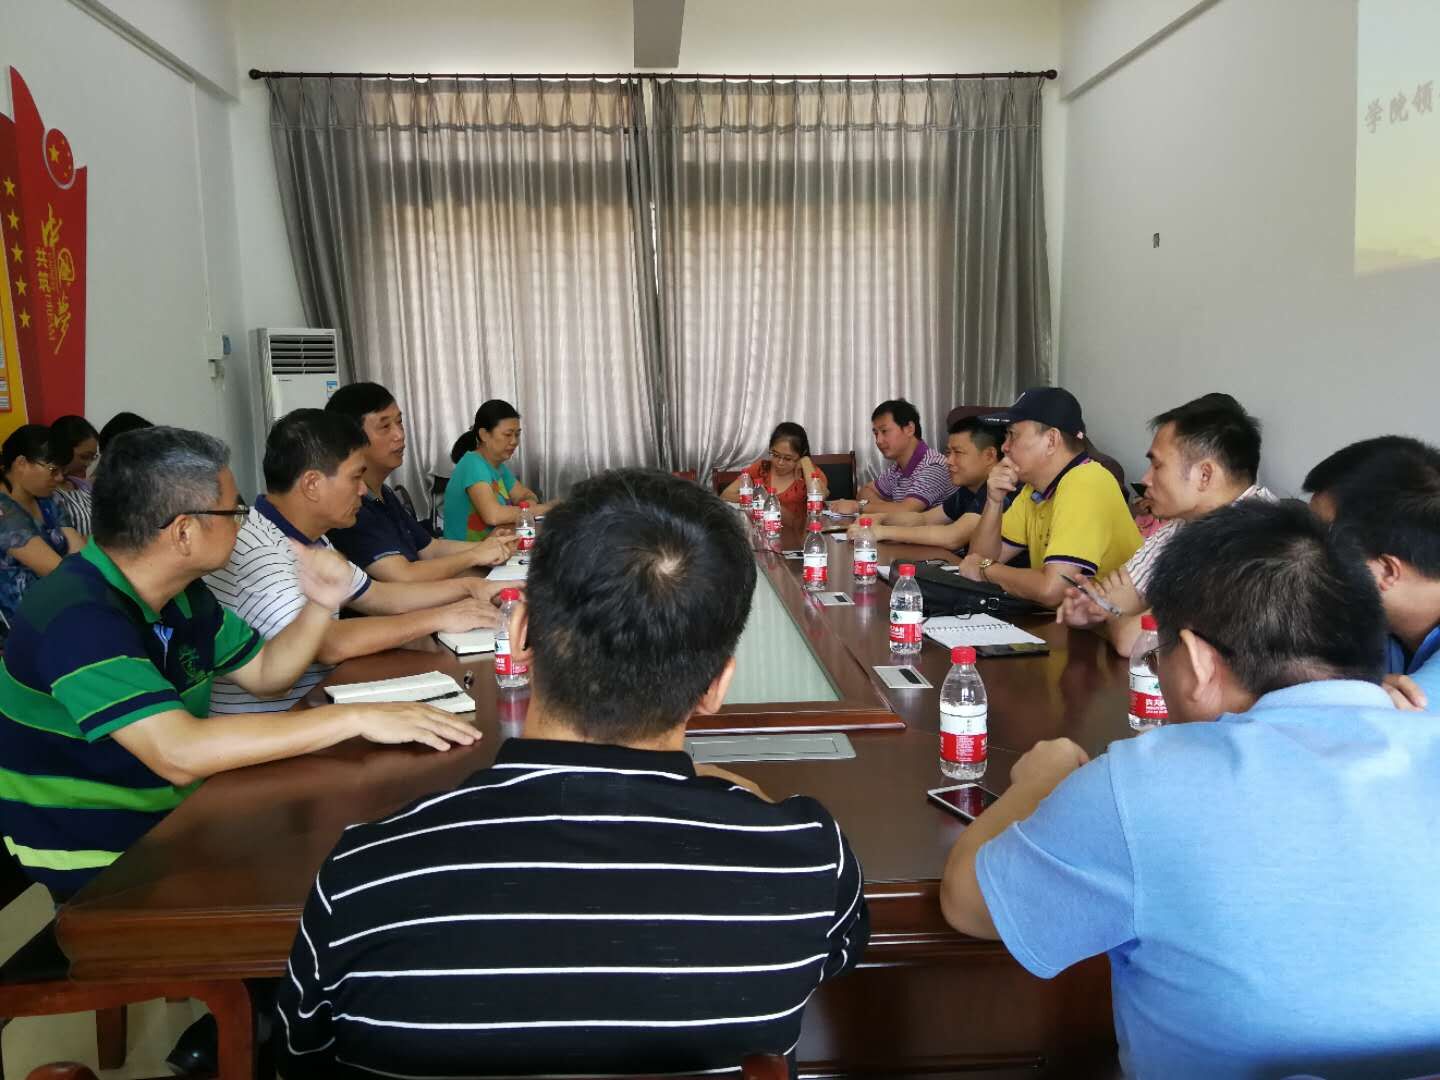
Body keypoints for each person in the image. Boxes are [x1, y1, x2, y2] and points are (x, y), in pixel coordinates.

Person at [276, 470, 869, 1078]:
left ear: (519, 634)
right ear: (717, 686)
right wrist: (740, 800)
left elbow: (303, 1056)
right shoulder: (804, 858)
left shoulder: (364, 873)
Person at [940, 500, 1440, 1078]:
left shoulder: (1143, 785)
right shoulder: (1421, 728)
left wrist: (1037, 784)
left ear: (1200, 662)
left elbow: (967, 904)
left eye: (1162, 656)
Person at [0, 427, 477, 900]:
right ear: (183, 531)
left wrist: (320, 604)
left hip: (178, 815)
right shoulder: (77, 614)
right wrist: (355, 717)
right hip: (103, 856)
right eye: (233, 511)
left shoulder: (184, 595)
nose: (244, 524)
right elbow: (178, 752)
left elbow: (267, 673)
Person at [206, 410, 509, 715]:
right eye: (355, 477)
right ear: (312, 484)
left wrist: (470, 587)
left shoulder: (307, 535)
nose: (363, 490)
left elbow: (379, 596)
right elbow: (326, 643)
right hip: (281, 723)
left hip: (320, 702)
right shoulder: (262, 553)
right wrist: (439, 617)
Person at [1057, 393, 1274, 655]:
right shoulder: (1180, 526)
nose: (1145, 479)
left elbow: (1133, 641)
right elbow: (1114, 599)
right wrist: (1093, 611)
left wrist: (1112, 616)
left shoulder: (1261, 538)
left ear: (1204, 475)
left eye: (1157, 466)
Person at [958, 387, 1141, 607]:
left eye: (1013, 435)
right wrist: (994, 501)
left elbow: (1053, 589)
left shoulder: (1086, 482)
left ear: (1051, 440)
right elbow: (975, 561)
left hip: (1113, 623)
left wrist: (987, 570)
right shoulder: (1034, 490)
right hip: (1070, 617)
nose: (1004, 447)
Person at [324, 382, 516, 581]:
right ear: (352, 440)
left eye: (399, 422)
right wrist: (476, 555)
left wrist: (488, 546)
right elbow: (403, 576)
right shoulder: (351, 508)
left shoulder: (385, 494)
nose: (400, 435)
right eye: (385, 426)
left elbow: (430, 548)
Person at [1303, 435, 1440, 709]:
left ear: (1387, 571)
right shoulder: (1372, 619)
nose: (1298, 555)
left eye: (1318, 543)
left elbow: (1392, 716)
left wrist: (1359, 695)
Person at [847, 416, 1009, 551]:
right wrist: (880, 518)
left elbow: (953, 537)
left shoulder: (1001, 489)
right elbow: (923, 519)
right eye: (949, 452)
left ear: (989, 455)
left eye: (958, 453)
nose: (949, 461)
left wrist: (882, 532)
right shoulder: (968, 489)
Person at [0, 425, 83, 631]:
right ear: (21, 463)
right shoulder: (3, 512)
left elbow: (79, 551)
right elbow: (55, 571)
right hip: (21, 623)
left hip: (61, 605)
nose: (60, 478)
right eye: (53, 470)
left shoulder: (48, 500)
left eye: (62, 471)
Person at [444, 399, 555, 542]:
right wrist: (542, 509)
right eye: (508, 435)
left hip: (493, 547)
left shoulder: (498, 466)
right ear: (484, 435)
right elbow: (494, 515)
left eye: (517, 434)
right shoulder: (472, 463)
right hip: (467, 553)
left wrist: (527, 508)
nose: (514, 441)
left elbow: (526, 495)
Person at [829, 399, 955, 516]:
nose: (878, 440)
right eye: (876, 433)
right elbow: (864, 491)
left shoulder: (934, 466)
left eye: (884, 431)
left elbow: (907, 512)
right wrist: (889, 507)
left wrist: (859, 507)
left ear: (909, 429)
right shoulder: (897, 468)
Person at [719, 421, 826, 513]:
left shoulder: (809, 472)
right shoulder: (762, 468)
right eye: (775, 455)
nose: (780, 462)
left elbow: (820, 498)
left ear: (801, 454)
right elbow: (726, 494)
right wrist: (759, 501)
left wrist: (806, 461)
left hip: (799, 529)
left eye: (788, 458)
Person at [48, 414, 100, 535]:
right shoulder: (47, 491)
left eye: (93, 457)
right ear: (63, 450)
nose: (88, 464)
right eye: (84, 457)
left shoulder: (82, 486)